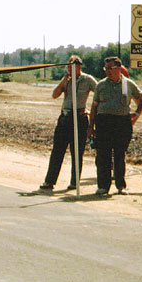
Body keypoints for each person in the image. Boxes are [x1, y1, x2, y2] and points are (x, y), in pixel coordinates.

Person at [88, 57, 142, 196]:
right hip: (103, 122)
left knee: (120, 155)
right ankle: (103, 186)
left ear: (119, 69)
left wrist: (136, 114)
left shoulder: (128, 84)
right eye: (106, 69)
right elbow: (94, 106)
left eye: (110, 68)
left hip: (122, 123)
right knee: (103, 155)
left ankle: (121, 185)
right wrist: (91, 126)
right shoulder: (101, 85)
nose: (108, 71)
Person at [40, 55, 97, 191]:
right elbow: (55, 95)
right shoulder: (66, 80)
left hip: (79, 118)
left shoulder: (87, 80)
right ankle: (49, 181)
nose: (70, 69)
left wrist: (90, 111)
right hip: (65, 118)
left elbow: (99, 93)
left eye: (73, 66)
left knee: (77, 152)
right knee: (57, 151)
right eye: (69, 66)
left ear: (79, 67)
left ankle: (74, 182)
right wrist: (64, 81)